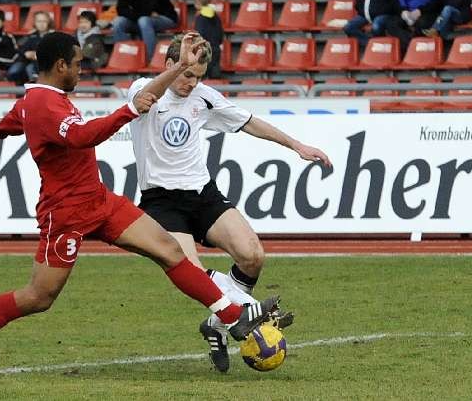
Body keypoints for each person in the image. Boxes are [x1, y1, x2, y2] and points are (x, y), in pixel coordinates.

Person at [0, 31, 281, 378]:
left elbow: (15, 118)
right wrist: (128, 110)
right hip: (65, 213)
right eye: (78, 64)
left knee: (170, 250)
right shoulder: (45, 104)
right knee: (39, 297)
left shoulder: (37, 99)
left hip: (99, 200)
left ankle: (233, 315)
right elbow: (83, 136)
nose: (82, 71)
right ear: (61, 64)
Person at [126, 34, 330, 373]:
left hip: (202, 194)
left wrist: (296, 145)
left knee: (252, 255)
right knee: (190, 271)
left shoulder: (204, 98)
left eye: (199, 76)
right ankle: (248, 308)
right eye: (187, 74)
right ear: (169, 66)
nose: (192, 83)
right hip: (162, 201)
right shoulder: (142, 90)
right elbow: (146, 96)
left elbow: (248, 122)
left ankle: (217, 325)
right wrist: (178, 67)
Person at [113, 0, 178, 60]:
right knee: (118, 22)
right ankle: (125, 56)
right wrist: (138, 13)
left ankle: (150, 59)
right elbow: (121, 10)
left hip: (166, 18)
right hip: (141, 19)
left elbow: (147, 9)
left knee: (144, 20)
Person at [10, 10, 54, 83]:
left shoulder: (54, 36)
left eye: (44, 21)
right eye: (39, 21)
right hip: (28, 61)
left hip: (45, 64)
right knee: (14, 70)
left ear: (49, 22)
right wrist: (26, 53)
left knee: (30, 68)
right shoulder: (31, 35)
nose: (41, 24)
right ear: (35, 23)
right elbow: (20, 48)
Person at [192, 0, 222, 78]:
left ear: (197, 2)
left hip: (204, 51)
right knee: (215, 76)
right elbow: (220, 34)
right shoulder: (215, 15)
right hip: (215, 49)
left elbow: (199, 35)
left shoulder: (200, 17)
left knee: (202, 76)